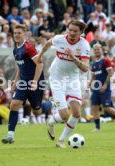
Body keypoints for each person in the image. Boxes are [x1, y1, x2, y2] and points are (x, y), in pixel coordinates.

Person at [37, 20, 90, 148]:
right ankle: (50, 121)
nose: (71, 33)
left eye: (75, 31)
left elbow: (85, 68)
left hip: (72, 79)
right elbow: (48, 43)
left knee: (77, 113)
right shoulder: (59, 39)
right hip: (56, 79)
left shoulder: (84, 45)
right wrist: (40, 55)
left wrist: (73, 58)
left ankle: (61, 141)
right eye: (70, 30)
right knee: (65, 115)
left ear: (81, 32)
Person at [1, 24, 44, 144]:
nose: (16, 35)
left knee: (37, 111)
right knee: (14, 104)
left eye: (19, 33)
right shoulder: (16, 49)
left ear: (25, 34)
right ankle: (10, 135)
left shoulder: (29, 48)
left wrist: (35, 82)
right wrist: (15, 81)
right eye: (15, 33)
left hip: (36, 82)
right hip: (23, 82)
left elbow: (40, 64)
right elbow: (20, 67)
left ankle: (50, 105)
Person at [90, 43, 115, 131]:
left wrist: (105, 85)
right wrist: (89, 84)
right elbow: (93, 76)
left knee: (107, 108)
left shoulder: (105, 61)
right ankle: (97, 127)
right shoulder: (94, 64)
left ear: (101, 50)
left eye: (98, 49)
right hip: (96, 89)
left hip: (105, 89)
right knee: (95, 107)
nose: (96, 51)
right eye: (95, 50)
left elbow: (110, 73)